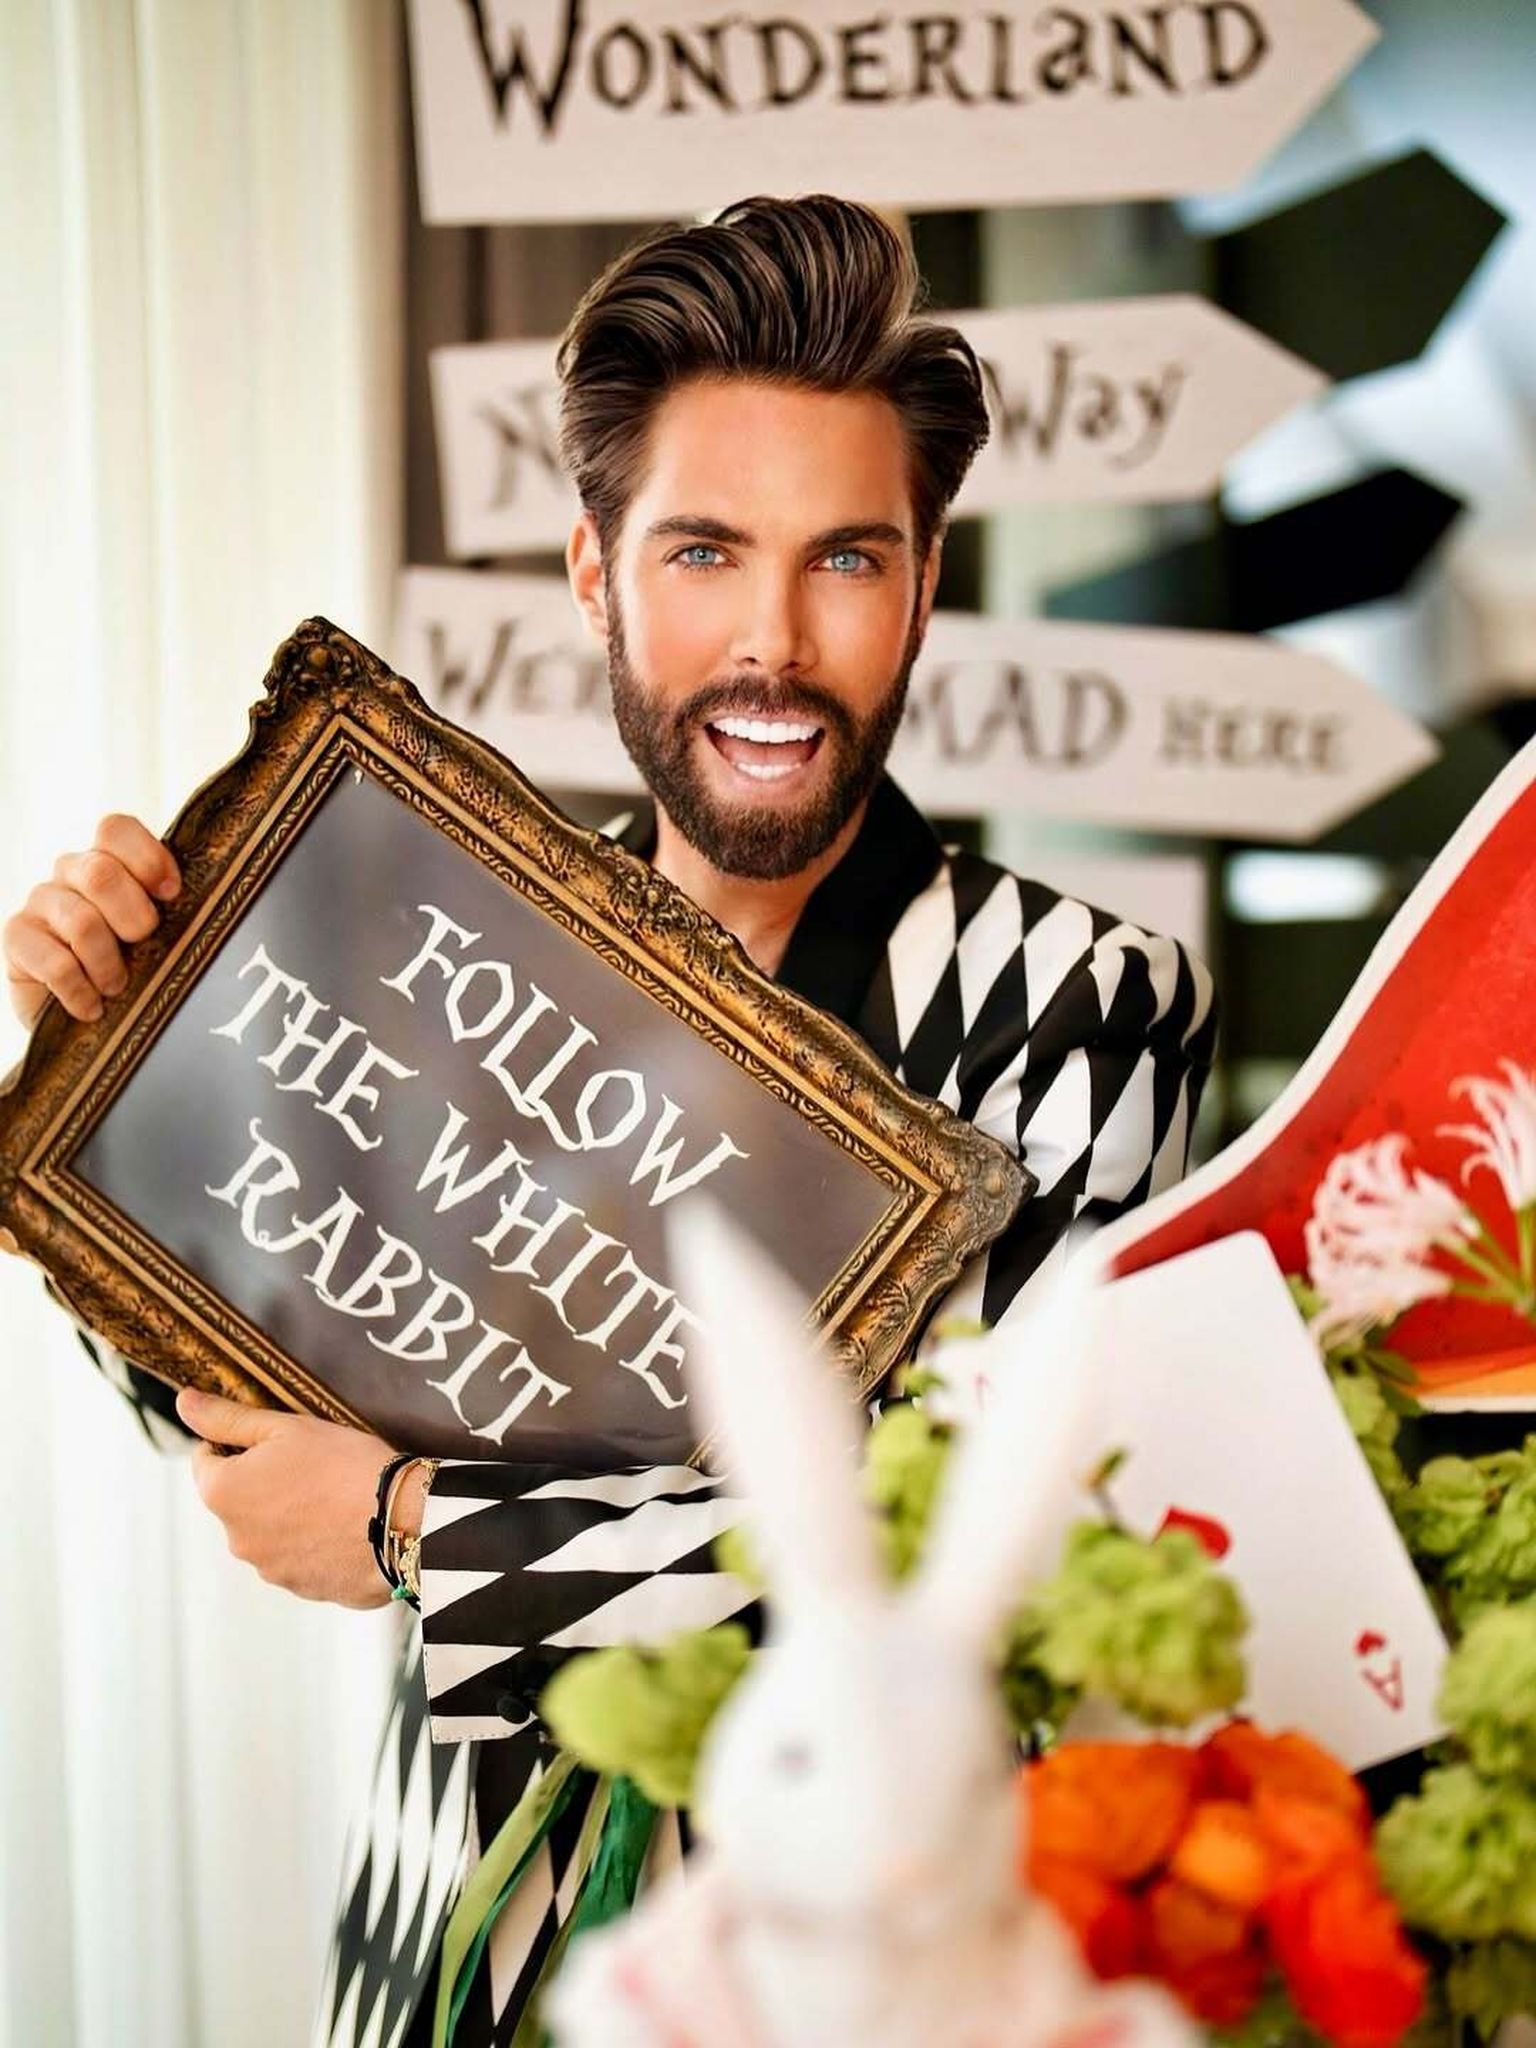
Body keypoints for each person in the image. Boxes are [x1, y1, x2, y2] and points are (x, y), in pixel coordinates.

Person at [3, 195, 1217, 2048]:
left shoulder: (1080, 1002)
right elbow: (239, 1409)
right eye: (704, 551)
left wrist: (421, 1529)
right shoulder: (437, 947)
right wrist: (124, 1053)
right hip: (436, 1964)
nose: (774, 644)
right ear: (594, 572)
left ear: (923, 588)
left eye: (848, 559)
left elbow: (939, 1576)